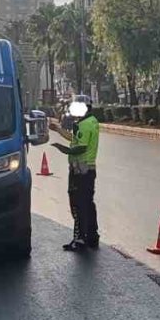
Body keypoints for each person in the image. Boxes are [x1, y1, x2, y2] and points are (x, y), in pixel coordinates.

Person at [53, 97, 100, 252]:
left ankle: (80, 239)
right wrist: (59, 130)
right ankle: (92, 236)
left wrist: (64, 149)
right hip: (87, 169)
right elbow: (76, 138)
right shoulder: (90, 121)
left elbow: (80, 147)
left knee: (78, 204)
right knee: (88, 203)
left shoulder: (85, 125)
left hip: (80, 170)